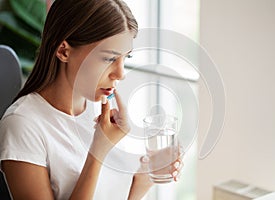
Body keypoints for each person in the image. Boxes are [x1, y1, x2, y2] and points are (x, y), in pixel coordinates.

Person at [0, 0, 183, 199]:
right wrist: (98, 151)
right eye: (109, 58)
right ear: (63, 51)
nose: (120, 74)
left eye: (125, 58)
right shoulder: (23, 125)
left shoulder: (102, 108)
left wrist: (149, 173)